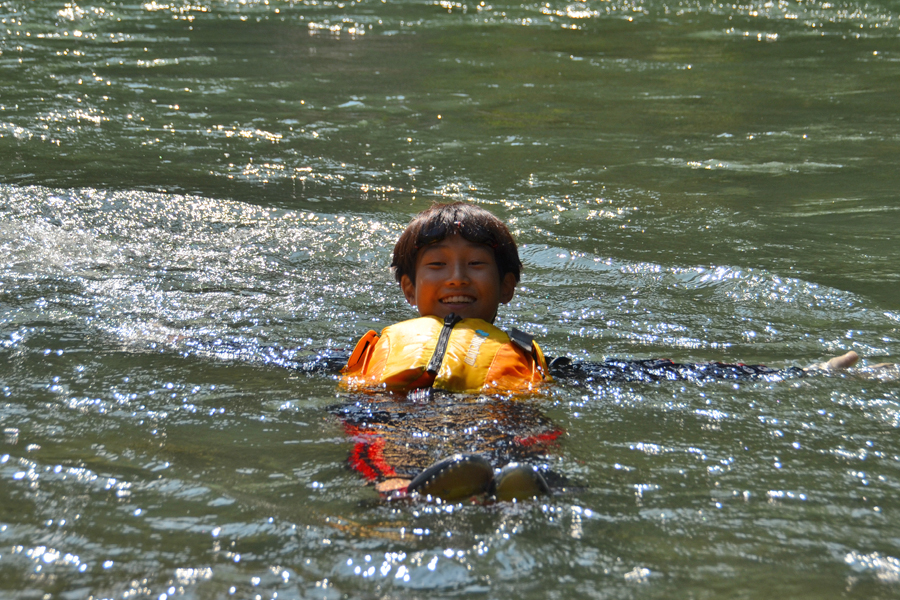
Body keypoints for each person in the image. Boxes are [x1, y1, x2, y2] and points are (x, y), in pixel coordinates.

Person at [335, 201, 882, 501]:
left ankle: (514, 485)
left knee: (519, 434)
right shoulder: (378, 348)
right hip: (402, 414)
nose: (457, 278)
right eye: (437, 266)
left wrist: (797, 373)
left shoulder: (525, 353)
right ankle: (398, 488)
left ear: (507, 285)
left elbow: (654, 373)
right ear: (408, 288)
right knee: (376, 429)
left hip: (496, 416)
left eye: (476, 264)